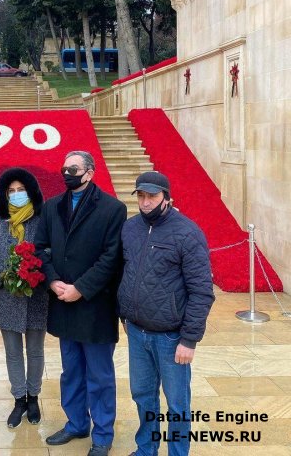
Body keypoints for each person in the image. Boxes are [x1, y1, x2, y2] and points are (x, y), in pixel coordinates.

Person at [35, 151, 127, 456]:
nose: (66, 173)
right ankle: (76, 423)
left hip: (94, 306)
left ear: (89, 172)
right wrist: (52, 280)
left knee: (99, 375)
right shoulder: (51, 206)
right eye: (64, 168)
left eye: (72, 168)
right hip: (62, 302)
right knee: (70, 370)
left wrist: (81, 288)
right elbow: (40, 248)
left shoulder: (112, 209)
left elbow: (111, 257)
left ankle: (102, 435)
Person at [118, 171, 215, 456]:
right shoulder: (130, 228)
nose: (146, 202)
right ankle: (146, 449)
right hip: (137, 331)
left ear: (167, 198)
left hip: (172, 338)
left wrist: (189, 339)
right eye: (142, 196)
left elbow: (201, 291)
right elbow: (124, 272)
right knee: (143, 395)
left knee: (176, 403)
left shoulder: (187, 232)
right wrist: (124, 313)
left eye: (153, 196)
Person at [0, 167, 48, 428]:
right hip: (6, 297)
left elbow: (51, 252)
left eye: (21, 190)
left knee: (35, 350)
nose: (17, 195)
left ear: (31, 192)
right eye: (11, 191)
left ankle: (34, 397)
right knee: (13, 352)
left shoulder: (42, 220)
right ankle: (19, 398)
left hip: (36, 296)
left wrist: (37, 270)